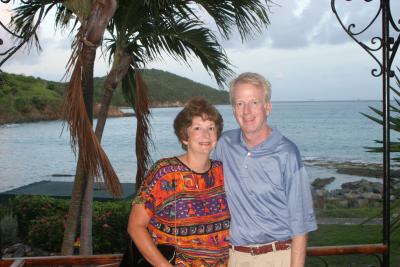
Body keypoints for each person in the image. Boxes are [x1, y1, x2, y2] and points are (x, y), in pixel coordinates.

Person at [213, 72, 317, 267]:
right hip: (235, 258)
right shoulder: (224, 145)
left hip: (277, 257)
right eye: (239, 103)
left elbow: (300, 224)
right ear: (233, 109)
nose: (246, 111)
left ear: (267, 107)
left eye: (254, 102)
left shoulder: (287, 153)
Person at [128, 97, 230, 267]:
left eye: (211, 128)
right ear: (185, 136)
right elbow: (135, 226)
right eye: (197, 128)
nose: (206, 135)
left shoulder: (223, 172)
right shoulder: (165, 173)